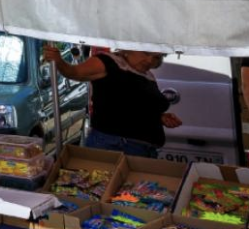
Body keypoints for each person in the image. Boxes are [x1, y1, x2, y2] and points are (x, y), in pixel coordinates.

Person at [44, 44, 183, 157]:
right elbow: (74, 73)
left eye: (157, 58)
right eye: (146, 53)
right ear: (128, 47)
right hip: (117, 146)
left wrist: (159, 117)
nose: (150, 61)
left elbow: (130, 107)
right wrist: (59, 61)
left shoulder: (148, 75)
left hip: (140, 149)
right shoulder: (108, 62)